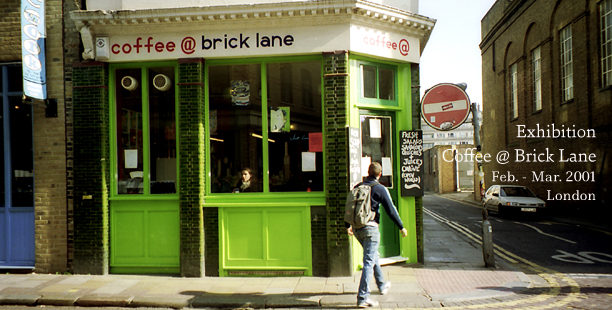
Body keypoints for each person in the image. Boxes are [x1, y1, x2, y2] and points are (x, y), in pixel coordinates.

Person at [346, 162, 408, 308]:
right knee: (368, 261)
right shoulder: (380, 188)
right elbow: (391, 210)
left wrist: (347, 225)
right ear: (380, 175)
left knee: (373, 256)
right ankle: (363, 297)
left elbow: (350, 206)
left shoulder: (358, 187)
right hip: (370, 229)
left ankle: (382, 285)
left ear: (368, 173)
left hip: (357, 229)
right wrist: (401, 227)